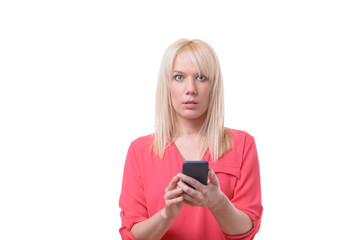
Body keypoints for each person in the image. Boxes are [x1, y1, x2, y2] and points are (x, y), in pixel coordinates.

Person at [119, 39, 263, 240]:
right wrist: (167, 214)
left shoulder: (242, 144)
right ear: (167, 85)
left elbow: (246, 231)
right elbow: (132, 235)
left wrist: (217, 202)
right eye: (179, 77)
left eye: (201, 77)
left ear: (213, 86)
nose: (191, 89)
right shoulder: (140, 150)